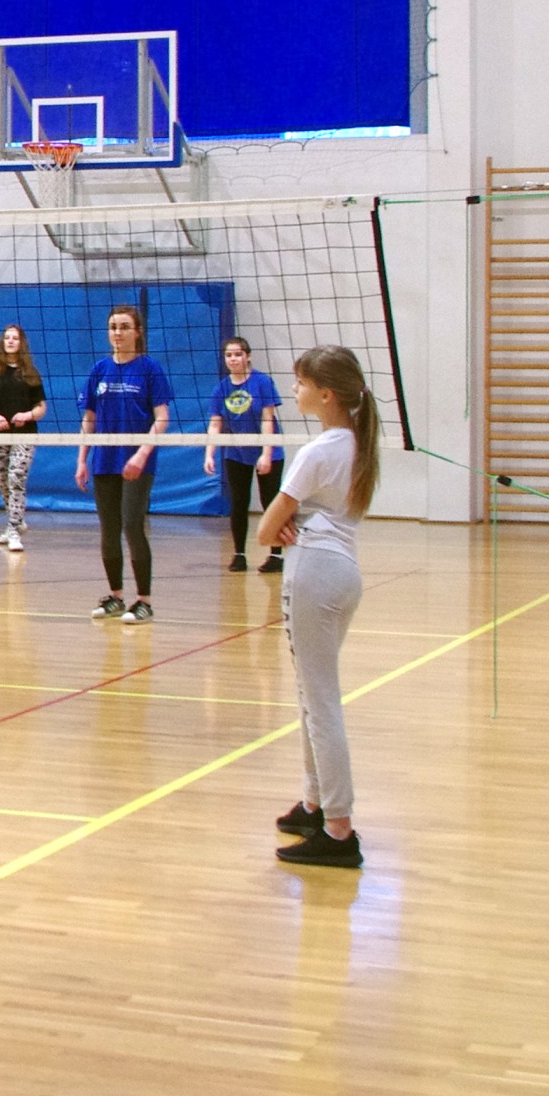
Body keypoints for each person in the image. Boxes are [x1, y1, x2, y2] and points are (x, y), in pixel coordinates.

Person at [260, 344, 380, 868]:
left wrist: (282, 524)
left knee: (321, 702)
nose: (295, 389)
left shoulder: (319, 451)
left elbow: (266, 530)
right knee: (312, 697)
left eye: (302, 383)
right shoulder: (359, 443)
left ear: (326, 394)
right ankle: (314, 804)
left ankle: (338, 830)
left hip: (314, 572)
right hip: (342, 571)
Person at [80, 303, 174, 624]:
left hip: (137, 461)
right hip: (104, 460)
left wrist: (142, 453)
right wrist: (81, 460)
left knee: (132, 524)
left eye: (124, 327)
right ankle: (116, 597)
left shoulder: (150, 369)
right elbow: (89, 419)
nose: (117, 333)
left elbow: (162, 418)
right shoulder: (99, 370)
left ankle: (144, 601)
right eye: (113, 327)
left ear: (137, 332)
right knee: (108, 528)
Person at [204, 337, 287, 574]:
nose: (233, 359)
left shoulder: (262, 382)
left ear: (247, 356)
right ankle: (239, 554)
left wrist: (266, 454)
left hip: (268, 449)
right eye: (229, 355)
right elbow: (215, 424)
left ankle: (276, 554)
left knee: (270, 502)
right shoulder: (221, 389)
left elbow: (268, 419)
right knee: (238, 503)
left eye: (238, 354)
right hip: (236, 452)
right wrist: (209, 454)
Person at [0, 324, 45, 554]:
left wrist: (27, 415)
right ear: (2, 342)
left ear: (21, 342)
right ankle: (16, 521)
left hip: (25, 434)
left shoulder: (30, 373)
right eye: (7, 338)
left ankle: (14, 529)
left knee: (16, 478)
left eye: (15, 338)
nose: (11, 341)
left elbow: (41, 407)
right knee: (3, 482)